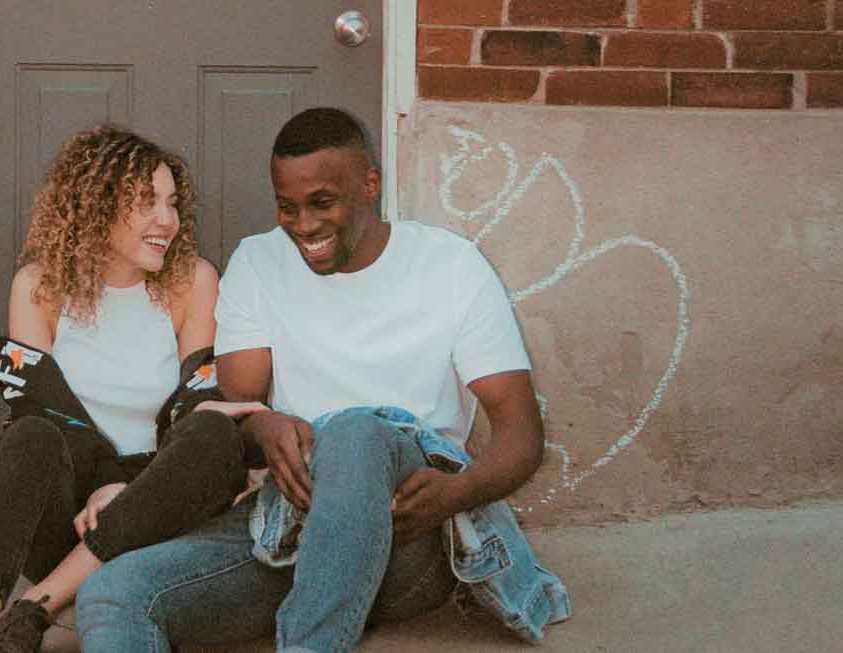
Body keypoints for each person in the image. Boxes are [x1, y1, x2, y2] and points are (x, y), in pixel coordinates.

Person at [76, 108, 566, 651]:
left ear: (370, 184)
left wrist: (457, 492)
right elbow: (238, 412)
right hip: (290, 522)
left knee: (356, 434)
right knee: (113, 593)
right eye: (288, 208)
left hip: (409, 532)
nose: (304, 226)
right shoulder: (259, 263)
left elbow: (521, 432)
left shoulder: (451, 267)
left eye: (322, 203)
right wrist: (263, 428)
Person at [0, 125, 264, 653]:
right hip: (76, 520)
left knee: (211, 432)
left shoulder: (192, 281)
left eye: (172, 203)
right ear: (96, 206)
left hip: (162, 512)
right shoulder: (39, 287)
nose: (167, 220)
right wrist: (101, 487)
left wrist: (130, 488)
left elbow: (194, 398)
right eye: (146, 203)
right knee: (28, 439)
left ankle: (38, 606)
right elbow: (41, 408)